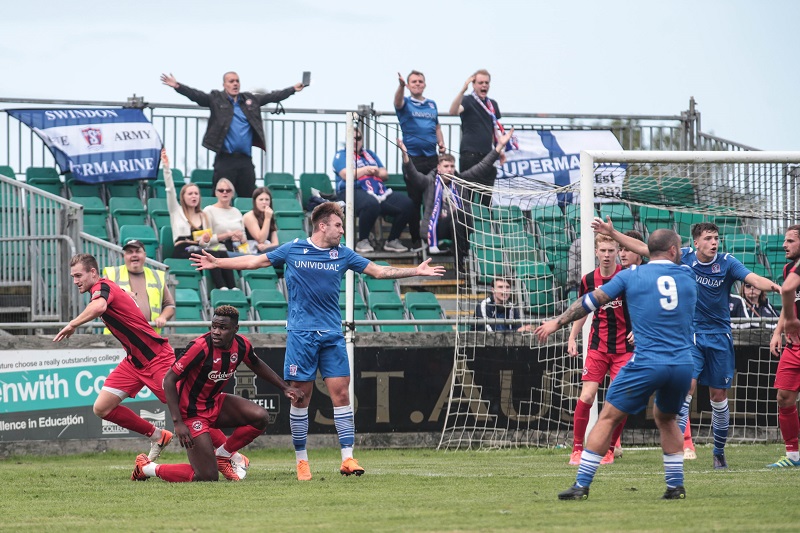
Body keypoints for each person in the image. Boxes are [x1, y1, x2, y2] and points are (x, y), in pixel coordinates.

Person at [191, 201, 445, 480]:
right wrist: (218, 261)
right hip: (302, 336)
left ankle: (347, 458)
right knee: (300, 398)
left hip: (332, 335)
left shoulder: (343, 254)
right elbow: (254, 261)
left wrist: (415, 271)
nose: (342, 231)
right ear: (322, 225)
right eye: (338, 226)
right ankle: (302, 461)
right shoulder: (293, 249)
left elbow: (378, 271)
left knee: (341, 394)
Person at [593, 217, 780, 469]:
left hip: (720, 337)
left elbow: (754, 279)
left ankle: (718, 451)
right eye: (708, 238)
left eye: (716, 238)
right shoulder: (685, 257)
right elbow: (643, 249)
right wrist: (613, 233)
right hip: (691, 335)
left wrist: (777, 288)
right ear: (696, 242)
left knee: (719, 397)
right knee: (686, 389)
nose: (714, 242)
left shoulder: (727, 263)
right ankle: (678, 452)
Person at [536, 229, 697, 501]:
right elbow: (655, 252)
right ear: (673, 251)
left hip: (647, 360)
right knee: (667, 418)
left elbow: (589, 301)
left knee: (608, 417)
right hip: (683, 363)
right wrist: (616, 235)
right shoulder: (688, 273)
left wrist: (558, 322)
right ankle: (675, 486)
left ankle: (581, 485)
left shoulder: (630, 275)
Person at [54, 254, 242, 477]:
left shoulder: (102, 287)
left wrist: (72, 324)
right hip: (133, 362)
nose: (75, 280)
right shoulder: (110, 288)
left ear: (93, 273)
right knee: (102, 408)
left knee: (188, 409)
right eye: (73, 276)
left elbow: (99, 307)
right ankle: (157, 436)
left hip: (156, 359)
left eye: (78, 275)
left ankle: (232, 456)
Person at [131, 305, 304, 482]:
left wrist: (285, 387)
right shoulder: (199, 347)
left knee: (261, 417)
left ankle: (223, 454)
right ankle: (147, 468)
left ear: (235, 329)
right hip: (191, 413)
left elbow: (256, 364)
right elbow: (169, 380)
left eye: (223, 328)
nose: (216, 332)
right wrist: (178, 422)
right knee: (207, 476)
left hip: (214, 403)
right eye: (214, 326)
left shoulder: (242, 345)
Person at [160, 71, 304, 199]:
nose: (235, 84)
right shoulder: (216, 99)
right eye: (231, 81)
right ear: (224, 85)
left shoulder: (250, 100)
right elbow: (197, 96)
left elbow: (272, 96)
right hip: (225, 159)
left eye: (237, 81)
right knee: (220, 195)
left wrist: (292, 89)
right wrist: (178, 86)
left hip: (245, 160)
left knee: (248, 197)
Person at [565, 234, 632, 466]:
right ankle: (576, 449)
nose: (606, 255)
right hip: (598, 346)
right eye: (602, 251)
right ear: (596, 252)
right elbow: (582, 310)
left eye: (610, 251)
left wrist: (640, 330)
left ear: (617, 252)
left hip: (625, 348)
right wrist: (572, 337)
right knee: (587, 395)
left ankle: (609, 450)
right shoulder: (588, 280)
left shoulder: (626, 277)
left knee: (618, 400)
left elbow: (640, 306)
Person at [398, 127, 514, 261]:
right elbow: (413, 175)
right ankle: (462, 259)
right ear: (438, 168)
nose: (450, 169)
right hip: (436, 228)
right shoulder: (429, 181)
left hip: (459, 226)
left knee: (460, 217)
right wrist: (405, 156)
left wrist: (499, 146)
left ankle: (460, 262)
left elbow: (483, 166)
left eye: (452, 166)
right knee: (459, 215)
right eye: (446, 166)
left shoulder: (461, 181)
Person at [332, 129, 414, 253]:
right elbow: (345, 174)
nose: (355, 141)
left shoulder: (369, 154)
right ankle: (363, 240)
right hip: (352, 191)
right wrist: (366, 170)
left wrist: (373, 171)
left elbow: (384, 173)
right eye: (352, 138)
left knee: (407, 204)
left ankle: (392, 240)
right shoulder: (341, 155)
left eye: (358, 138)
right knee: (371, 204)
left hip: (378, 191)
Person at [394, 70, 446, 250]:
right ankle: (417, 240)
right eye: (413, 81)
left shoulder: (432, 104)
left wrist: (442, 142)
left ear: (425, 84)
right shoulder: (406, 102)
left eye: (420, 81)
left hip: (432, 158)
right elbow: (397, 101)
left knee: (434, 199)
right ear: (408, 85)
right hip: (413, 159)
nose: (417, 84)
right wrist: (401, 86)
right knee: (414, 202)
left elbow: (437, 126)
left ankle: (432, 239)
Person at [766, 224, 800, 467]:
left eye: (790, 241)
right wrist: (779, 331)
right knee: (784, 397)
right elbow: (789, 302)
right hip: (794, 343)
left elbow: (787, 292)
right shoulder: (790, 268)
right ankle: (793, 456)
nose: (784, 245)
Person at [449, 69, 506, 206]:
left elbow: (493, 128)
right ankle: (466, 225)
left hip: (487, 154)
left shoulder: (492, 104)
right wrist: (462, 90)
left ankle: (485, 225)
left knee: (485, 197)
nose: (484, 85)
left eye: (486, 83)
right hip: (470, 153)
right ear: (474, 85)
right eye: (480, 82)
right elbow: (453, 112)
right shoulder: (468, 100)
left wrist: (500, 150)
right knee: (466, 194)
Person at [102, 238, 175, 335]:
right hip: (118, 337)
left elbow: (169, 305)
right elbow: (100, 302)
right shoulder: (111, 275)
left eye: (138, 251)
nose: (134, 255)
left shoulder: (157, 276)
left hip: (149, 336)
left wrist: (163, 317)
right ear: (124, 256)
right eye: (129, 252)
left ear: (144, 255)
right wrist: (121, 294)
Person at [203, 178, 244, 289]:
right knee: (222, 252)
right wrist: (228, 235)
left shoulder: (236, 211)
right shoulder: (209, 210)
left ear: (233, 193)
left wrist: (240, 238)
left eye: (228, 190)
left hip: (236, 248)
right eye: (221, 190)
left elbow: (244, 239)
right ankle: (227, 286)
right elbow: (206, 241)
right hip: (217, 248)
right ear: (216, 193)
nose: (224, 192)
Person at [243, 187, 279, 252]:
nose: (264, 202)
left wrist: (266, 246)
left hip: (266, 251)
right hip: (251, 252)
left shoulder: (269, 215)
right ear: (255, 201)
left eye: (267, 199)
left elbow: (276, 243)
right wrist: (267, 219)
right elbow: (261, 239)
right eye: (261, 199)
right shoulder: (249, 216)